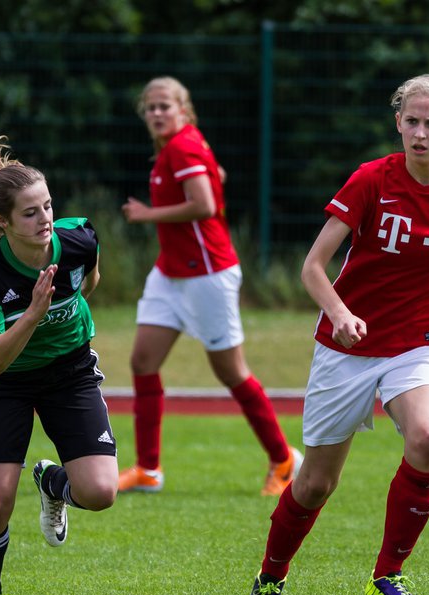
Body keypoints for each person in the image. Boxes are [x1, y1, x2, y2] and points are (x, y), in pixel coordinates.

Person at [245, 74, 429, 595]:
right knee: (316, 483)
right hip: (346, 346)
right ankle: (270, 580)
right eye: (412, 121)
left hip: (421, 342)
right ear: (398, 122)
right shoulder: (371, 180)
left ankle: (388, 575)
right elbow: (311, 267)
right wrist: (341, 313)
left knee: (428, 439)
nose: (420, 133)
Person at [0, 136, 118, 595]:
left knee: (101, 493)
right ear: (3, 222)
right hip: (7, 382)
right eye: (31, 213)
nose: (46, 219)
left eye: (48, 206)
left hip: (70, 373)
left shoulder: (78, 239)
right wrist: (34, 313)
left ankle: (54, 484)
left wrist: (62, 309)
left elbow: (90, 279)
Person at [119, 76, 299, 497]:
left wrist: (147, 215)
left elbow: (205, 203)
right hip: (171, 273)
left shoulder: (182, 145)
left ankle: (285, 460)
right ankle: (148, 470)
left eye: (166, 105)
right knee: (143, 361)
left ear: (184, 110)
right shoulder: (182, 145)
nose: (157, 113)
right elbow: (215, 174)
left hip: (207, 275)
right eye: (151, 107)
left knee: (230, 372)